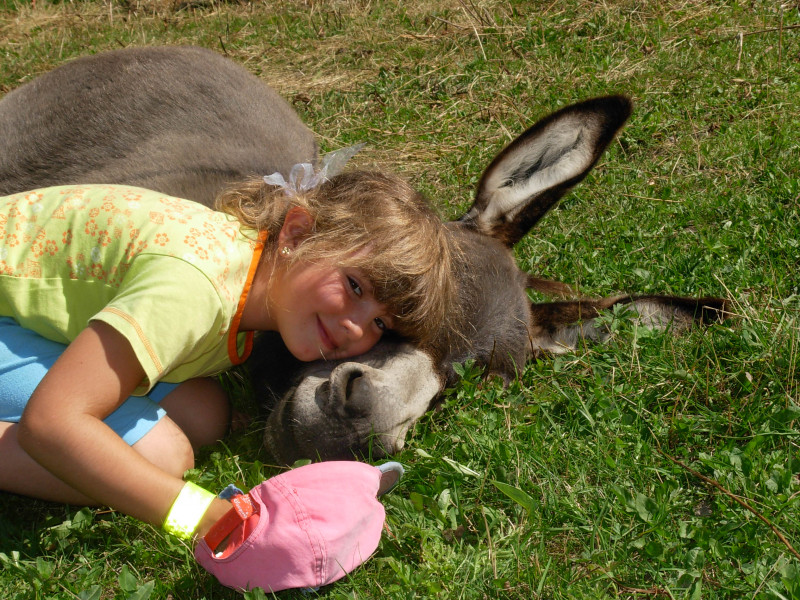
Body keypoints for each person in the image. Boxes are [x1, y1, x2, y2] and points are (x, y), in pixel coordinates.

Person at [0, 157, 456, 590]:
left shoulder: (249, 272)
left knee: (204, 412)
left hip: (25, 311)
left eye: (380, 323)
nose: (356, 326)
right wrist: (203, 515)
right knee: (160, 459)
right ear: (296, 233)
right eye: (355, 286)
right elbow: (52, 423)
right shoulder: (192, 291)